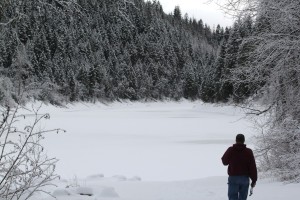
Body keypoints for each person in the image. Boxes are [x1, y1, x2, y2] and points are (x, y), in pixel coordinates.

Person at [221, 134, 257, 200]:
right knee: (243, 198)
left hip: (233, 178)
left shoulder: (230, 150)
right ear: (244, 141)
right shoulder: (249, 152)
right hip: (245, 178)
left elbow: (224, 162)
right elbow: (252, 167)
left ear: (236, 140)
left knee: (232, 197)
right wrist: (254, 180)